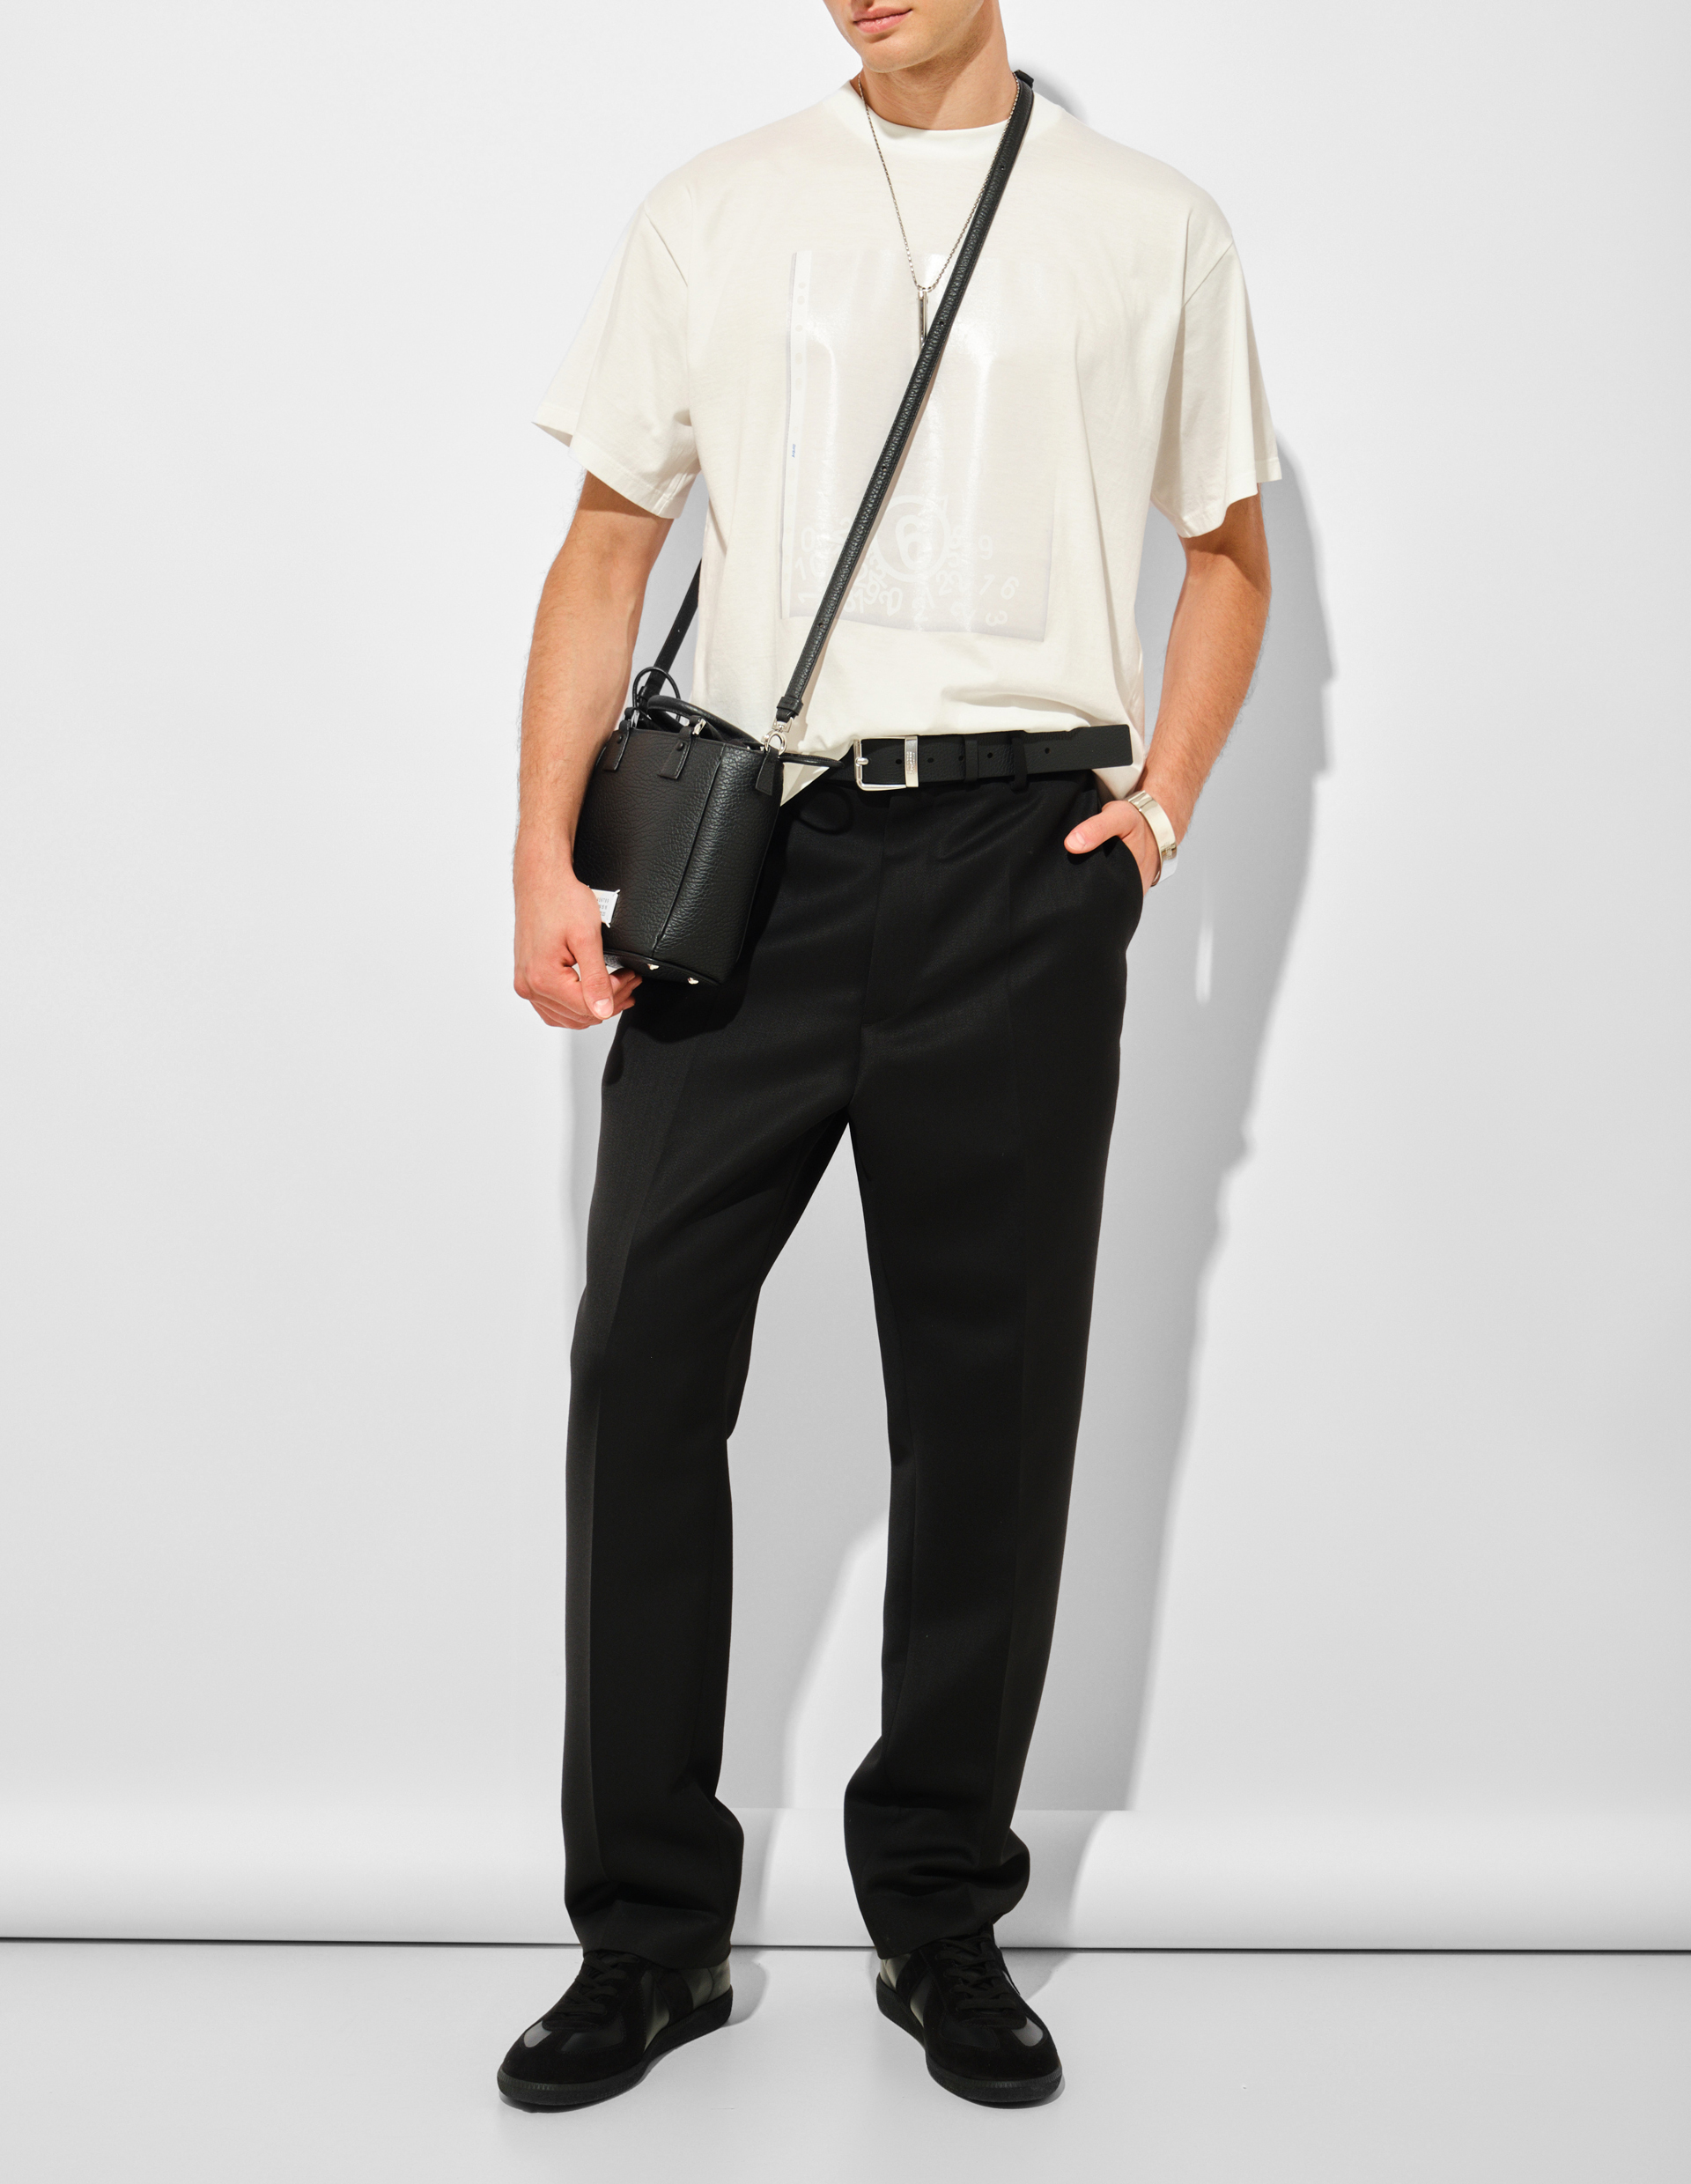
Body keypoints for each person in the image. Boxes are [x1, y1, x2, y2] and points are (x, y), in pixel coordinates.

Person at [498, 0, 1276, 2112]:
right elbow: (606, 542)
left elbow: (1228, 553)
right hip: (756, 859)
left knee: (988, 1407)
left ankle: (941, 1913)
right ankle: (646, 1936)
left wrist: (1158, 819)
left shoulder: (1153, 226)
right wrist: (541, 854)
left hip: (1023, 866)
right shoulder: (715, 208)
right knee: (644, 1358)